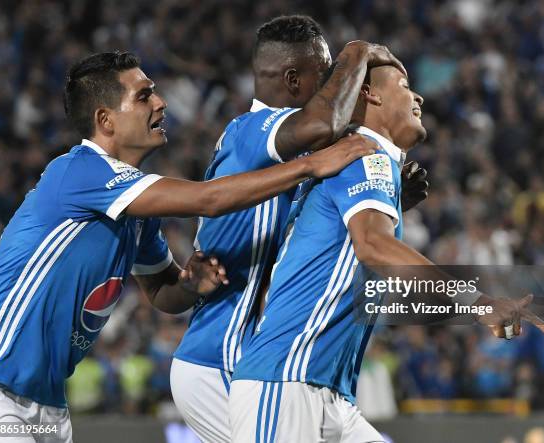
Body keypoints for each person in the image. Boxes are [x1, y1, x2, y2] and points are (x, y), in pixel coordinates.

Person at [0, 51, 375, 442]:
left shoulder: (134, 214)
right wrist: (311, 165)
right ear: (105, 120)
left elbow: (161, 292)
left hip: (48, 403)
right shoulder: (79, 171)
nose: (160, 103)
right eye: (144, 96)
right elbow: (207, 199)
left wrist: (190, 285)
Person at [229, 65, 544, 441]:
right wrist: (478, 304)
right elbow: (374, 247)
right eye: (404, 85)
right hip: (285, 383)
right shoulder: (365, 154)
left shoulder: (356, 163)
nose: (419, 97)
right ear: (370, 95)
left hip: (326, 392)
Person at [168, 15, 429, 443]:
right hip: (225, 358)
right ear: (293, 81)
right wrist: (358, 51)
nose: (336, 89)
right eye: (328, 78)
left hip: (271, 363)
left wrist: (390, 201)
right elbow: (321, 125)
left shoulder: (299, 158)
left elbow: (312, 235)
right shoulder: (254, 131)